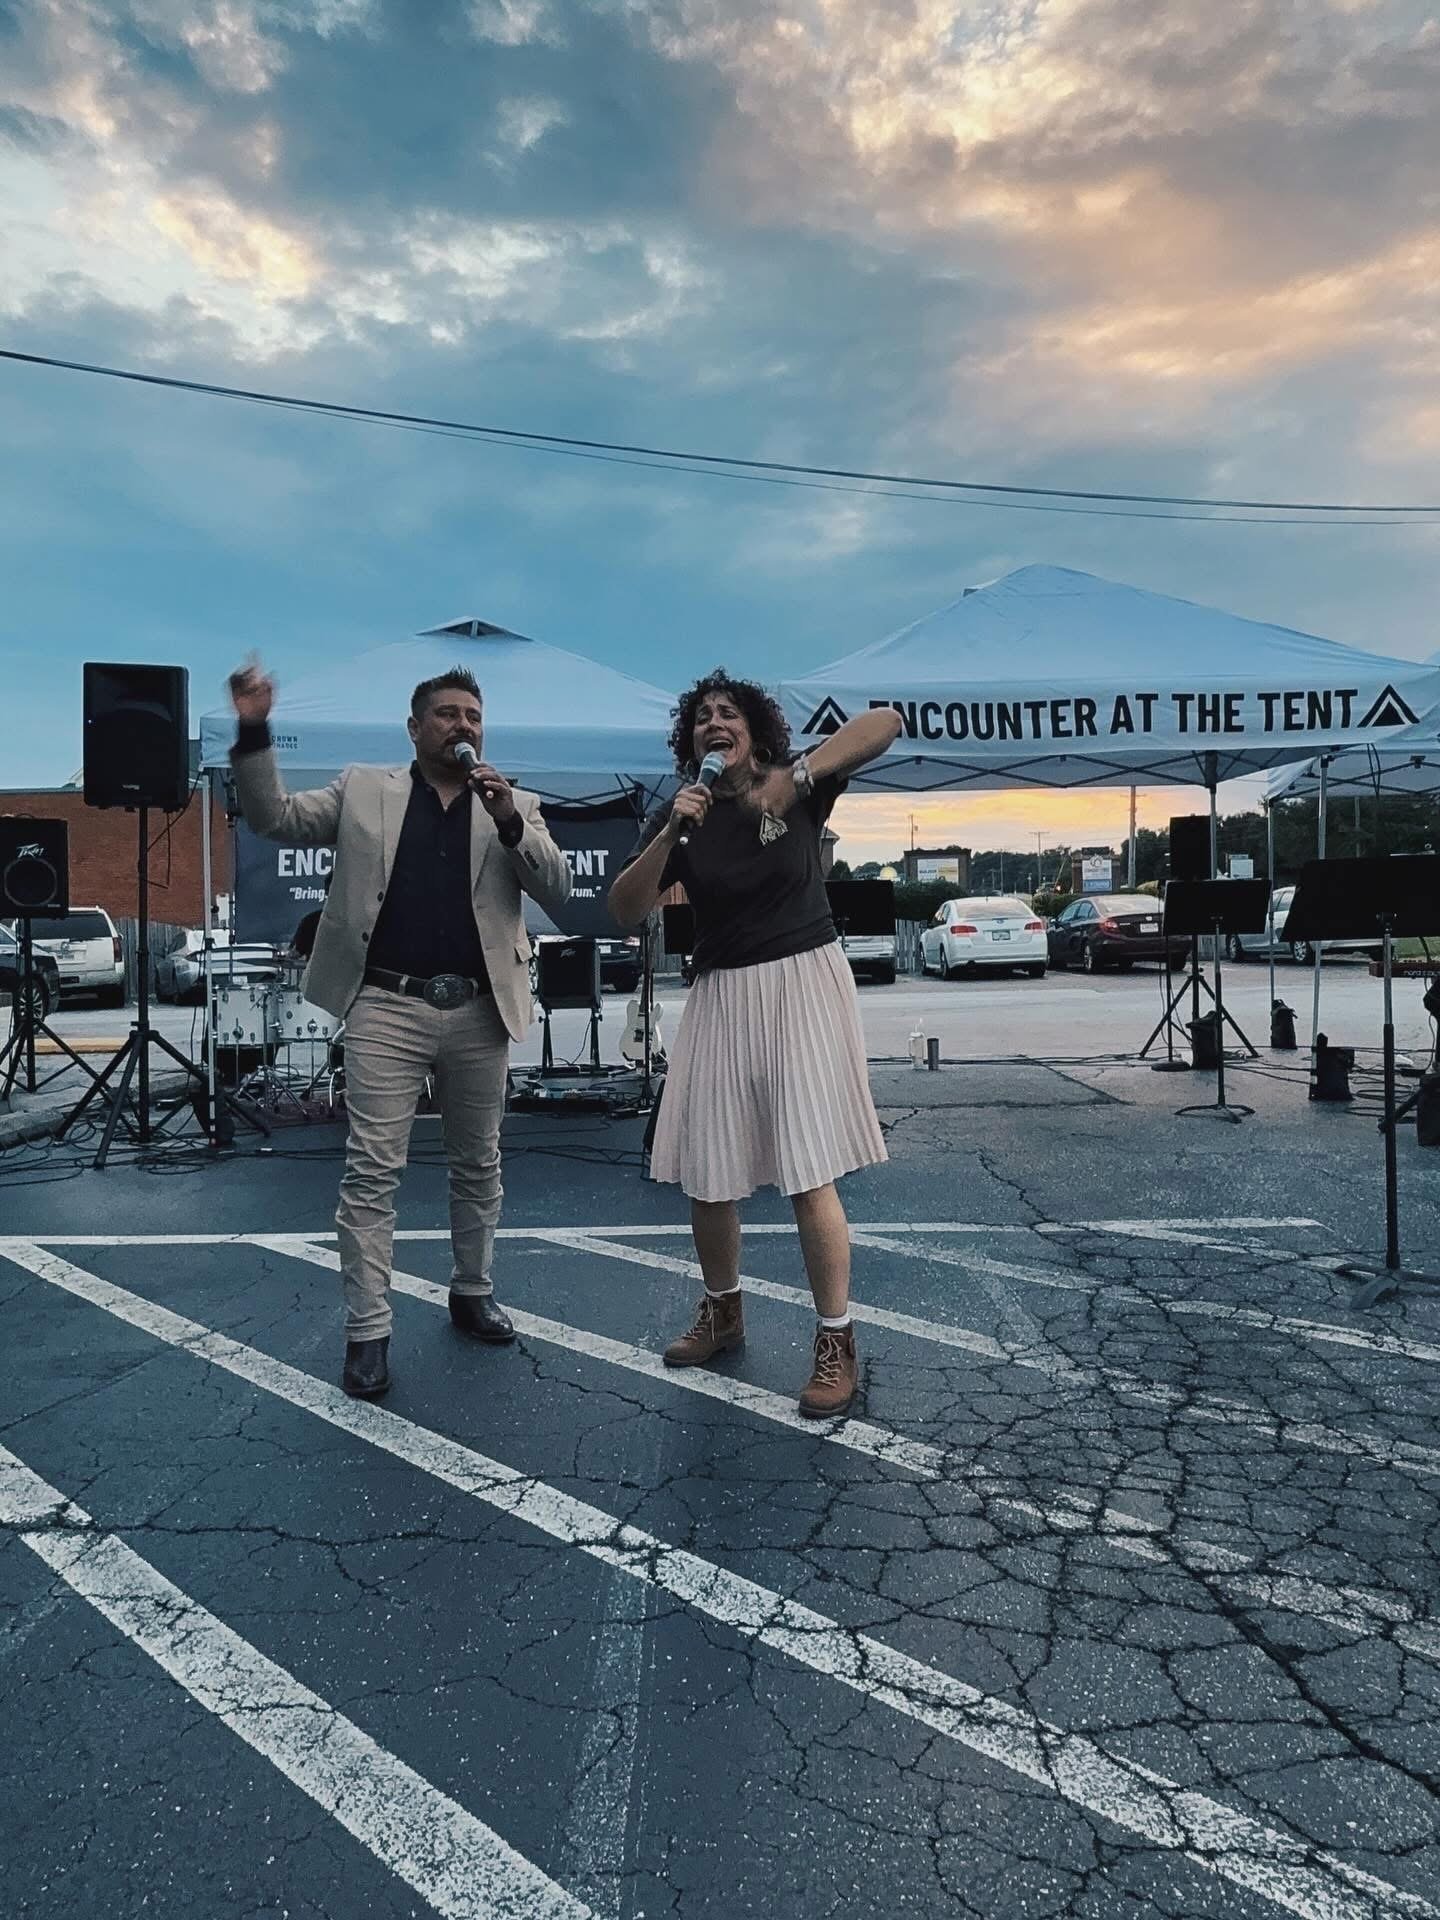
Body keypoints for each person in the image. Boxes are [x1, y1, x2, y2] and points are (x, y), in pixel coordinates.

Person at [228, 660, 572, 1399]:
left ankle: (472, 1290)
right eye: (447, 714)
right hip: (387, 1003)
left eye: (473, 716)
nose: (462, 726)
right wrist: (253, 730)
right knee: (372, 1170)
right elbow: (273, 818)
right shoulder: (363, 790)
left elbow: (558, 885)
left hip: (480, 1008)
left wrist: (510, 819)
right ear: (414, 728)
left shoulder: (513, 803)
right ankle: (368, 1331)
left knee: (477, 1163)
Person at [609, 670, 901, 1417]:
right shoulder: (684, 811)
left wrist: (797, 778)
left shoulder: (795, 782)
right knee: (708, 1171)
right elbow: (624, 908)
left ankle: (836, 1339)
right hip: (720, 990)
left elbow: (886, 723)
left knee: (807, 1171)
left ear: (754, 729)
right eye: (702, 716)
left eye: (728, 712)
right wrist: (670, 831)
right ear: (690, 739)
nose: (715, 722)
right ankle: (723, 1311)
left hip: (802, 978)